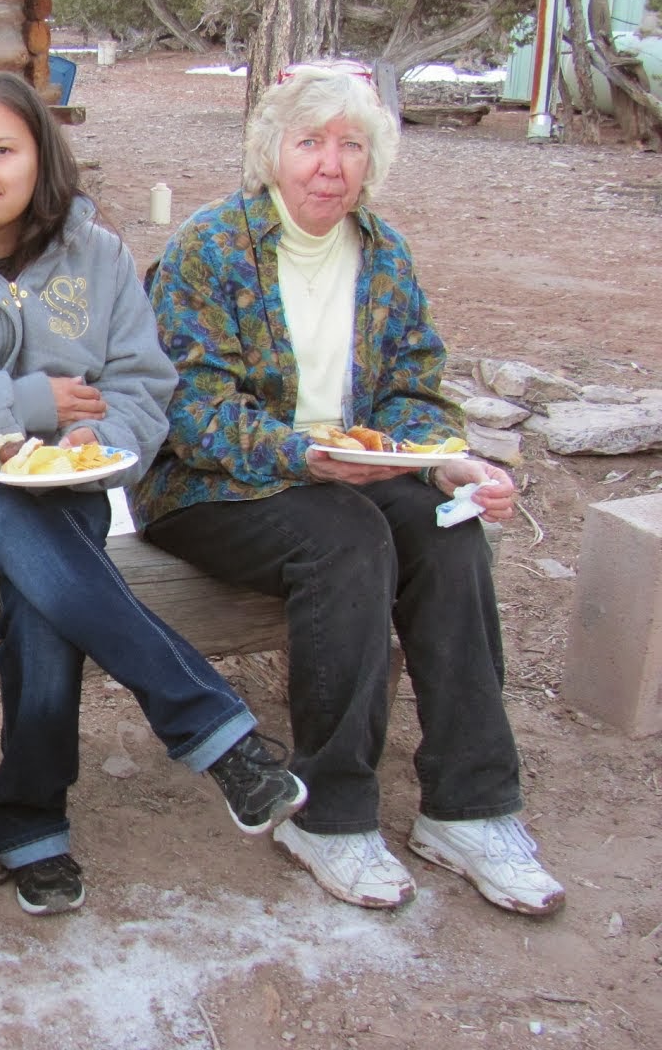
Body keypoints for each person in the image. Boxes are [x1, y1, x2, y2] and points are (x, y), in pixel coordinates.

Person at [0, 72, 306, 918]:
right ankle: (209, 730)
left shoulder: (96, 255)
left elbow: (139, 388)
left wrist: (98, 442)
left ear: (41, 159)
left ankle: (28, 818)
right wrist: (28, 405)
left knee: (45, 574)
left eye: (2, 150)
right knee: (26, 529)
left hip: (60, 489)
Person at [135, 61, 563, 916]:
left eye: (350, 146)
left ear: (373, 161)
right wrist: (302, 454)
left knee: (446, 528)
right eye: (309, 143)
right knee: (347, 535)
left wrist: (442, 460)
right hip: (209, 489)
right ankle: (327, 813)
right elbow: (189, 408)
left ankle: (470, 805)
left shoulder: (383, 251)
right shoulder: (210, 249)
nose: (330, 165)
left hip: (348, 473)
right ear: (271, 154)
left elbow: (415, 383)